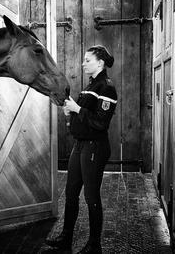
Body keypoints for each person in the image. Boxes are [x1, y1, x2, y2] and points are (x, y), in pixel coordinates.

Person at [45, 45, 117, 253]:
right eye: (84, 60)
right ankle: (66, 238)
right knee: (70, 193)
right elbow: (84, 117)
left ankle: (95, 246)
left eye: (87, 60)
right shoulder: (90, 87)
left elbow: (100, 123)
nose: (83, 63)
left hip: (95, 147)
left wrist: (77, 109)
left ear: (100, 63)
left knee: (91, 197)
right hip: (80, 146)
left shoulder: (107, 87)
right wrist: (70, 112)